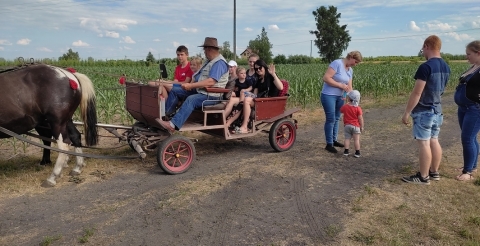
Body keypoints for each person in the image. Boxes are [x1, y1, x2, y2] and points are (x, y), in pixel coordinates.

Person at [401, 35, 451, 185]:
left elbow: (417, 92)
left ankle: (423, 177)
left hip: (424, 111)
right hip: (437, 110)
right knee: (434, 140)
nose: (422, 51)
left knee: (424, 143)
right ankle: (434, 172)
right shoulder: (446, 66)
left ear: (427, 46)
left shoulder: (426, 67)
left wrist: (407, 112)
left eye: (423, 48)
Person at [155, 37, 229, 132]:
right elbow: (198, 76)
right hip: (201, 91)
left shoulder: (219, 63)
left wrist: (191, 86)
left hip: (212, 95)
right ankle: (166, 116)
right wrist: (190, 84)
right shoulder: (209, 61)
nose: (204, 52)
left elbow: (211, 81)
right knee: (175, 89)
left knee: (191, 100)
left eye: (204, 50)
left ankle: (172, 125)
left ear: (209, 49)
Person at [321, 51, 363, 153]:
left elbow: (349, 87)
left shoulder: (350, 70)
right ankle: (329, 144)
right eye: (356, 62)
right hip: (328, 95)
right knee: (330, 119)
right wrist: (340, 85)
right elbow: (326, 78)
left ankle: (334, 140)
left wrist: (350, 98)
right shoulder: (337, 63)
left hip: (340, 97)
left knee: (337, 118)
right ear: (351, 57)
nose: (355, 64)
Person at [226, 59, 283, 134]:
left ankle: (244, 127)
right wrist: (244, 94)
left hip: (269, 101)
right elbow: (255, 94)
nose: (258, 70)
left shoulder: (270, 76)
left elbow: (281, 87)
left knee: (246, 100)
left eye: (260, 68)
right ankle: (227, 123)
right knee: (241, 100)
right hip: (261, 100)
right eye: (256, 69)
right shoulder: (259, 79)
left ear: (264, 67)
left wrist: (274, 74)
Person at [454, 40, 480, 181]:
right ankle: (472, 165)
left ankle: (468, 172)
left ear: (478, 53)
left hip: (474, 109)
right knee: (471, 138)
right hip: (464, 108)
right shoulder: (475, 67)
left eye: (469, 54)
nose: (466, 57)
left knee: (467, 139)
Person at [340, 90, 364, 158]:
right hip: (356, 126)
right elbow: (360, 118)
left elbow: (341, 110)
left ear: (349, 98)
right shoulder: (358, 108)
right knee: (356, 140)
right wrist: (361, 127)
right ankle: (357, 152)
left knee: (347, 138)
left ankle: (346, 151)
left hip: (347, 126)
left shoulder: (345, 107)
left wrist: (346, 103)